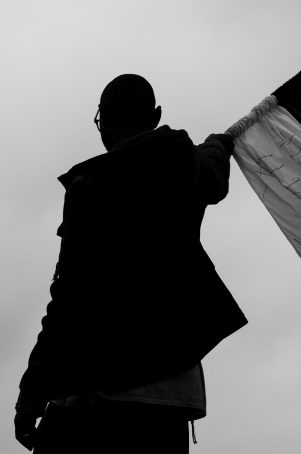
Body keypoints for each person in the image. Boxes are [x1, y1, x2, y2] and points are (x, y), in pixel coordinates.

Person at [14, 74, 247, 453]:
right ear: (155, 116)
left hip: (96, 394)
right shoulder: (187, 168)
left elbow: (67, 300)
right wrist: (219, 144)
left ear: (103, 123)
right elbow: (214, 173)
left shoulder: (90, 188)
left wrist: (30, 396)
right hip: (170, 402)